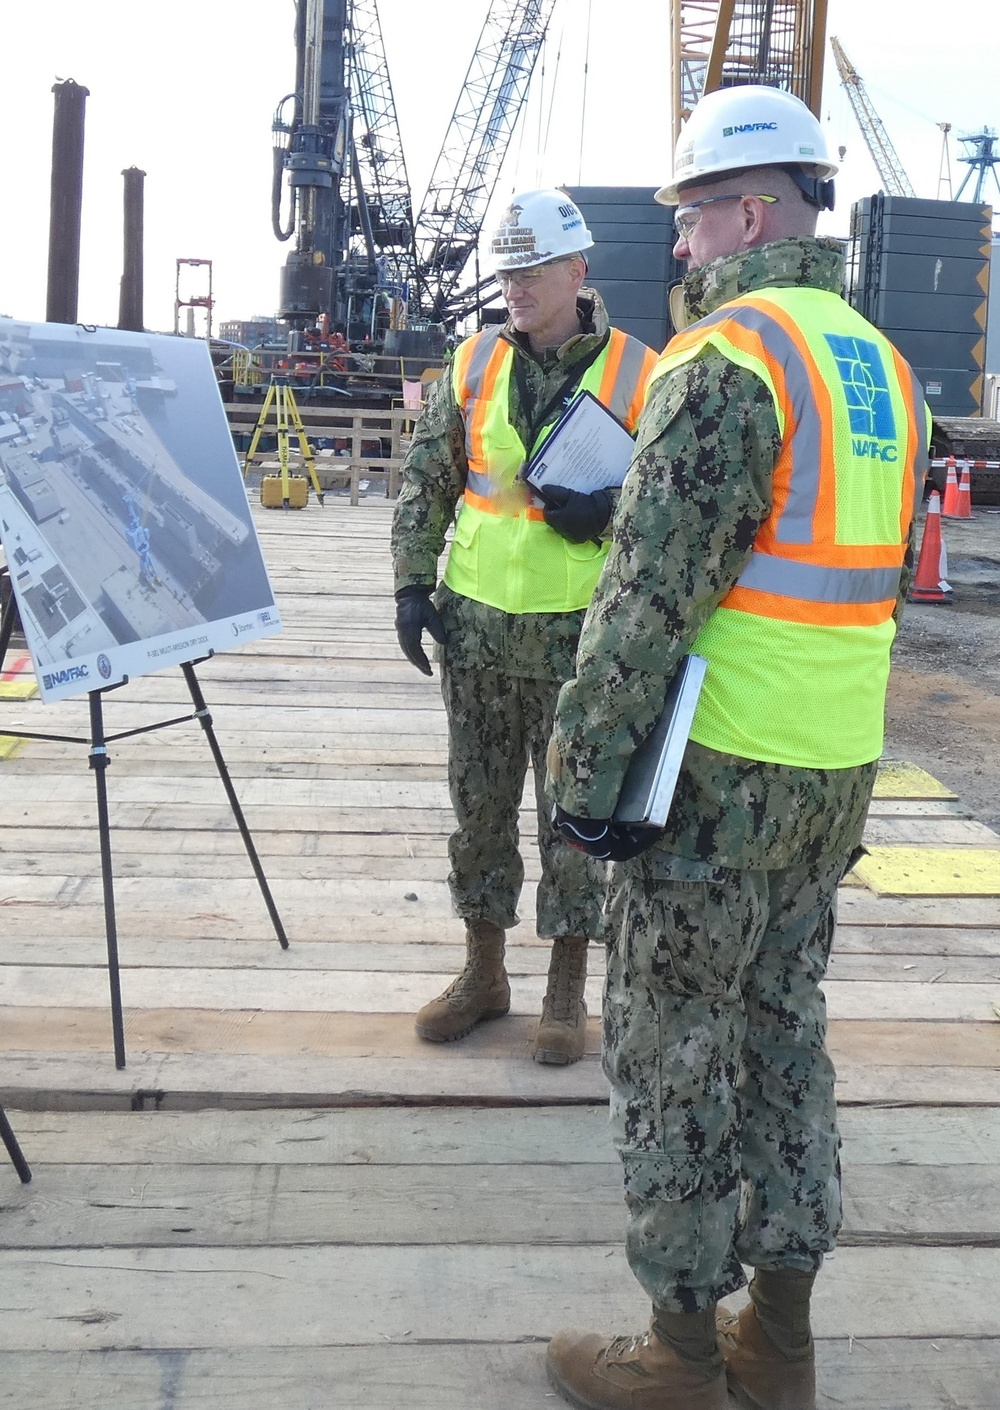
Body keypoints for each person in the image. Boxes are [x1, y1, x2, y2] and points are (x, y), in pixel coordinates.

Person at [543, 88, 930, 1409]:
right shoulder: (880, 363)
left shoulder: (728, 361)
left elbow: (651, 596)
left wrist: (583, 777)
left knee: (667, 1046)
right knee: (783, 1032)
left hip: (714, 777)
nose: (688, 246)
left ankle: (678, 1351)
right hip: (833, 774)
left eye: (696, 215)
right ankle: (784, 1340)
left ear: (752, 208)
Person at [391, 188, 657, 1065]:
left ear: (578, 270)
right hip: (474, 636)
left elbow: (666, 510)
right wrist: (409, 585)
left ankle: (566, 985)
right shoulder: (472, 364)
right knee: (479, 810)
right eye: (506, 269)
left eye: (533, 267)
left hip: (578, 644)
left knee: (571, 818)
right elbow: (428, 479)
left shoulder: (640, 372)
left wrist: (607, 513)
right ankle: (483, 972)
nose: (516, 285)